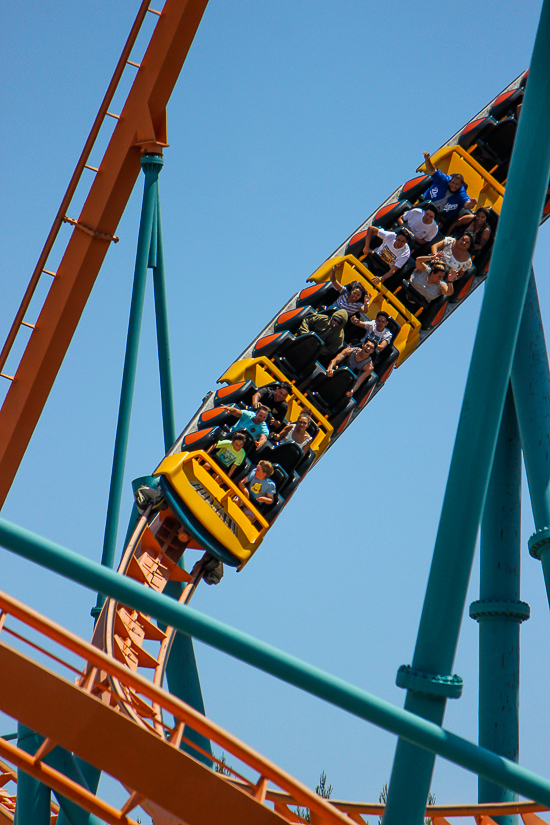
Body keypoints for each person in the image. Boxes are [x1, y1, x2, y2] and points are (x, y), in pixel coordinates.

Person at [421, 151, 478, 220]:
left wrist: (472, 203)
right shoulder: (444, 180)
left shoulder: (461, 194)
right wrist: (427, 160)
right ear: (450, 180)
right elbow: (432, 171)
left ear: (461, 185)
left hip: (438, 216)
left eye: (457, 184)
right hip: (424, 203)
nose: (453, 186)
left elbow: (467, 204)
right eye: (453, 183)